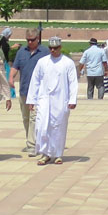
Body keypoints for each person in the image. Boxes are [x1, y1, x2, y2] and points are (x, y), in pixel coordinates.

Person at [26, 36, 78, 165]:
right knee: (41, 127)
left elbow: (73, 82)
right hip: (44, 100)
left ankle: (58, 154)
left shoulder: (67, 63)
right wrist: (31, 99)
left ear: (60, 48)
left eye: (55, 48)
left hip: (61, 100)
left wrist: (72, 99)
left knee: (58, 127)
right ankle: (45, 154)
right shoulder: (42, 62)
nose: (53, 50)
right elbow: (35, 81)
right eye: (51, 48)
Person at [9, 28, 48, 156]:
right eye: (28, 40)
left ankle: (32, 144)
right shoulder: (21, 52)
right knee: (26, 118)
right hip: (24, 90)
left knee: (34, 117)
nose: (30, 42)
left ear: (38, 39)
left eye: (32, 40)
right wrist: (11, 78)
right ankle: (30, 140)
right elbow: (15, 67)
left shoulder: (45, 52)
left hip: (38, 92)